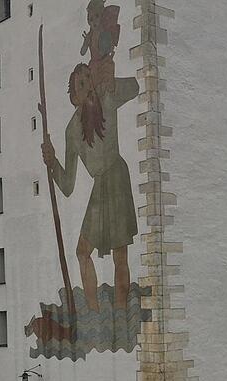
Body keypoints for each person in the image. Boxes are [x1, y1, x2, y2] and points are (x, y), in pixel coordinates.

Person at [40, 63, 139, 311]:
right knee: (83, 251)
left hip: (117, 177)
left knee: (120, 254)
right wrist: (53, 164)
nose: (89, 84)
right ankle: (94, 311)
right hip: (100, 187)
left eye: (89, 79)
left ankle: (120, 310)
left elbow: (136, 86)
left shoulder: (107, 97)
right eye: (82, 83)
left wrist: (113, 80)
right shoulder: (72, 130)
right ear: (75, 97)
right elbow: (68, 185)